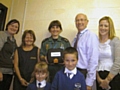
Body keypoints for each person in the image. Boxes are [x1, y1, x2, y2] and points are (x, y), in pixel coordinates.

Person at [73, 13, 99, 90]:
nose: (79, 22)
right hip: (77, 72)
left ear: (87, 22)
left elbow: (93, 59)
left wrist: (89, 82)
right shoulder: (76, 37)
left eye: (82, 20)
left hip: (86, 73)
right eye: (77, 20)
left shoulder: (91, 36)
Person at [96, 16, 120, 90]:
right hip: (99, 77)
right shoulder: (95, 41)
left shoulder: (115, 40)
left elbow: (118, 61)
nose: (103, 28)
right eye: (101, 25)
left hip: (113, 76)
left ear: (110, 27)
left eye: (106, 26)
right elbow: (94, 61)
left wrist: (107, 80)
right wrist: (99, 79)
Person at [0, 19, 20, 90]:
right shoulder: (2, 35)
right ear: (7, 26)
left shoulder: (13, 40)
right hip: (1, 70)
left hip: (9, 71)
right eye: (12, 25)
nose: (14, 28)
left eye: (16, 27)